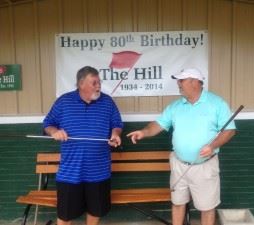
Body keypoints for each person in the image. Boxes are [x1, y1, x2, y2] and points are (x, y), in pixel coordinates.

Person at [127, 68, 236, 225]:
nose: (178, 84)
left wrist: (213, 145)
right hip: (178, 164)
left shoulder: (216, 103)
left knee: (207, 208)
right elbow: (158, 124)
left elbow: (230, 130)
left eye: (181, 80)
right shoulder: (175, 106)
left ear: (194, 82)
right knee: (178, 203)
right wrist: (143, 132)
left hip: (204, 165)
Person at [43, 66, 123, 225]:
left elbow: (117, 123)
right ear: (81, 84)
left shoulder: (107, 102)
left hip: (99, 172)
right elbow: (48, 123)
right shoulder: (64, 101)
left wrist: (115, 134)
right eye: (94, 83)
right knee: (65, 216)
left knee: (95, 211)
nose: (98, 86)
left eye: (99, 82)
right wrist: (54, 132)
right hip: (70, 172)